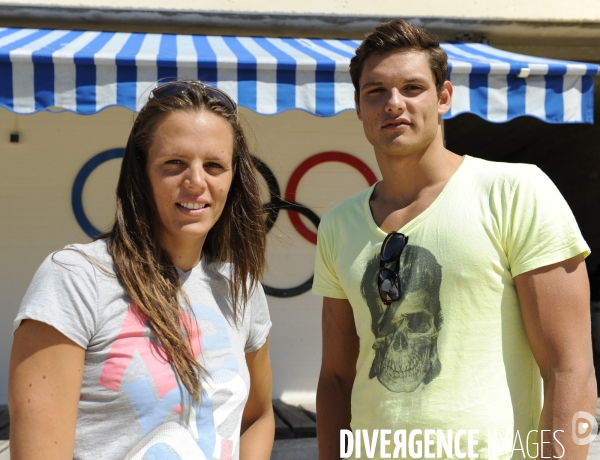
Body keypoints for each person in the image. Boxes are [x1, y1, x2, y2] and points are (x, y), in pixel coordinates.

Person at [313, 19, 596, 459]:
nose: (393, 103)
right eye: (376, 91)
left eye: (412, 88)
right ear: (358, 105)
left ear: (443, 97)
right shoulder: (337, 225)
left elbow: (570, 368)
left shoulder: (515, 192)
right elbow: (335, 378)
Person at [9, 81, 274, 460]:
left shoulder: (239, 288)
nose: (196, 181)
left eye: (214, 165)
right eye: (174, 163)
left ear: (234, 180)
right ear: (141, 172)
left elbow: (257, 417)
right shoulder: (75, 279)